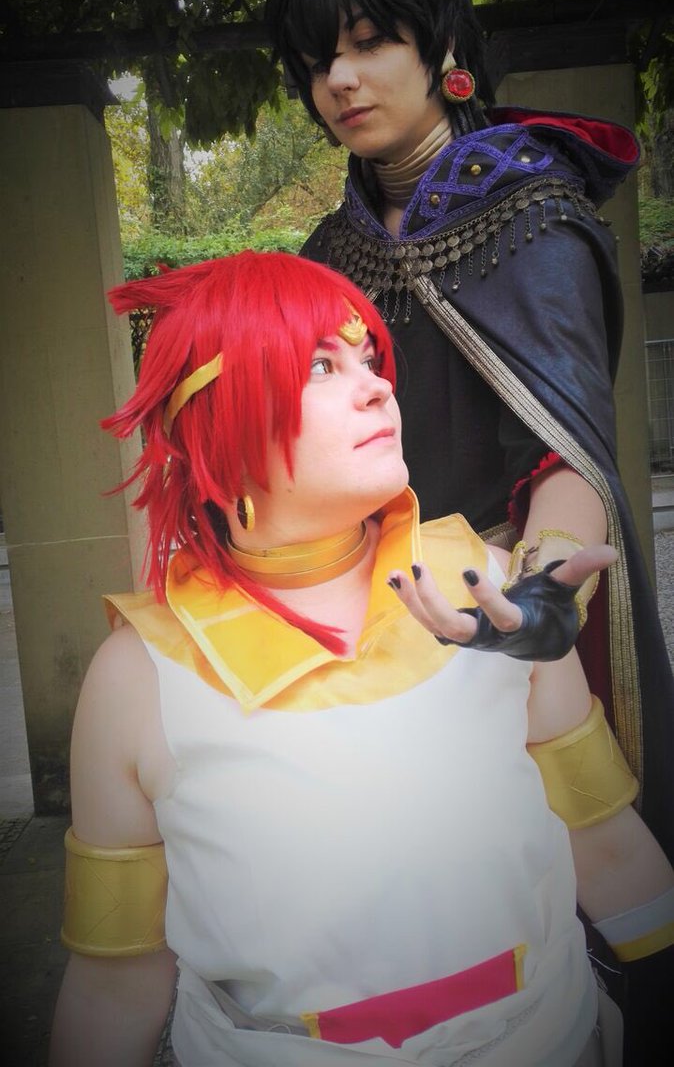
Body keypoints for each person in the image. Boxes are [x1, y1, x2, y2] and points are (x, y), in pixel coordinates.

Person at [49, 251, 674, 1067]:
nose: (378, 386)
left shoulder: (489, 596)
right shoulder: (136, 680)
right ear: (216, 426)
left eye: (369, 358)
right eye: (320, 365)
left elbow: (606, 844)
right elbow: (115, 984)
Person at [266, 0, 674, 887]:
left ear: (441, 40)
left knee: (575, 892)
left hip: (504, 612)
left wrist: (537, 594)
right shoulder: (327, 254)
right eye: (318, 61)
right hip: (373, 623)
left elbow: (561, 454)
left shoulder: (533, 215)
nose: (340, 80)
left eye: (369, 41)